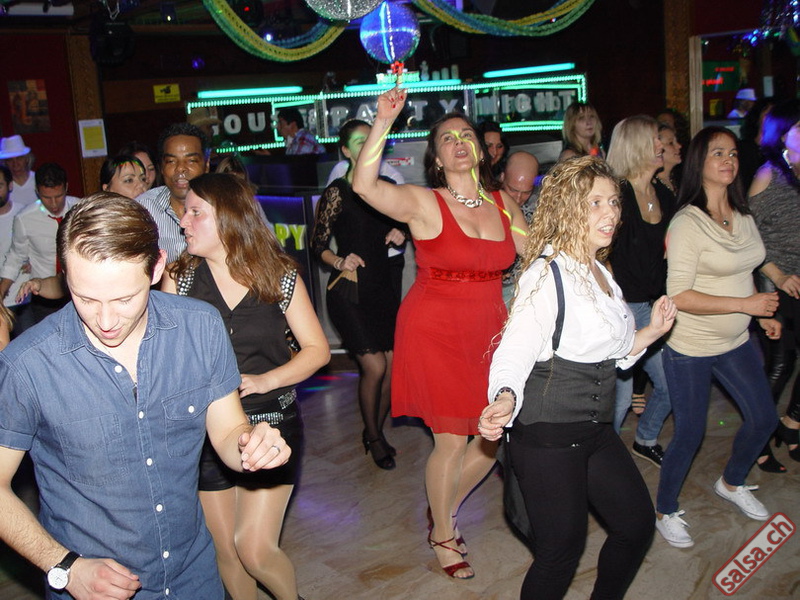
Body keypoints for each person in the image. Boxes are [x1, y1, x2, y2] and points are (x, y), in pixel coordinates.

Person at [0, 192, 290, 600]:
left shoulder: (200, 328)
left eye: (124, 299)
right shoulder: (27, 365)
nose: (105, 320)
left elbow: (228, 432)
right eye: (86, 298)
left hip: (195, 575)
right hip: (92, 588)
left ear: (156, 267)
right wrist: (63, 565)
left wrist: (251, 444)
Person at [479, 156, 676, 600]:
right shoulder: (546, 274)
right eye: (595, 203)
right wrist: (505, 396)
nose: (610, 213)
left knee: (635, 525)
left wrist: (652, 331)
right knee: (560, 553)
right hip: (547, 433)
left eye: (614, 202)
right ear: (567, 209)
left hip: (593, 429)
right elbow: (515, 348)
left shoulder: (601, 272)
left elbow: (612, 350)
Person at [352, 88, 528, 579]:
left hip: (489, 331)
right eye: (446, 139)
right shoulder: (424, 202)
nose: (458, 143)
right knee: (451, 440)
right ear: (435, 157)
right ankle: (443, 534)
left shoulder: (503, 205)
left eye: (466, 135)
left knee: (490, 438)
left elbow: (539, 252)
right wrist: (383, 122)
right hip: (435, 330)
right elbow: (364, 185)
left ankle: (441, 508)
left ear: (481, 149)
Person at [163, 173, 329, 600]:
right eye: (185, 212)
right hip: (204, 430)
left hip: (271, 424)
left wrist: (264, 380)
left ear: (229, 217)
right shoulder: (180, 279)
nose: (183, 221)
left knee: (254, 549)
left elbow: (317, 350)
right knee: (227, 553)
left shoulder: (279, 276)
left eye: (196, 212)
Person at [655, 126, 780, 549]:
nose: (728, 160)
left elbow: (746, 268)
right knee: (690, 433)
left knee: (763, 418)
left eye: (733, 153)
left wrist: (758, 315)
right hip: (690, 347)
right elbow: (679, 295)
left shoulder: (742, 214)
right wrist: (747, 305)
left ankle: (732, 481)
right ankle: (664, 510)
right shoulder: (688, 222)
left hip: (737, 341)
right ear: (699, 163)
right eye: (717, 154)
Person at [312, 119, 405, 469]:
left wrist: (401, 231)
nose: (368, 145)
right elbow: (316, 245)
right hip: (349, 291)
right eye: (359, 142)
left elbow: (411, 220)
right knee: (375, 365)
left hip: (383, 288)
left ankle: (373, 430)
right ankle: (375, 438)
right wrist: (338, 260)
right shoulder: (337, 191)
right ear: (346, 151)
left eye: (372, 140)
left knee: (393, 368)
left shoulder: (388, 188)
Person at [606, 115, 675, 468]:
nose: (662, 145)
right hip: (623, 309)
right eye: (655, 140)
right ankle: (602, 462)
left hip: (655, 306)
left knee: (670, 385)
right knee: (618, 401)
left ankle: (645, 439)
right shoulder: (616, 195)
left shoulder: (663, 194)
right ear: (635, 147)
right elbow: (598, 252)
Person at [749, 99, 800, 467]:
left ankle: (792, 423)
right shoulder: (768, 175)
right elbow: (745, 237)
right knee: (781, 364)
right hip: (773, 280)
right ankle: (758, 438)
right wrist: (778, 275)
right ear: (782, 134)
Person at [0, 163, 78, 323]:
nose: (54, 204)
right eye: (47, 198)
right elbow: (16, 257)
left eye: (59, 196)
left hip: (78, 290)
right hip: (43, 297)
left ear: (66, 188)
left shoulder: (81, 209)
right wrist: (2, 291)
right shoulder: (25, 218)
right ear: (37, 191)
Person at [135, 123, 209, 263]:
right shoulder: (142, 210)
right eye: (171, 161)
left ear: (206, 164)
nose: (180, 168)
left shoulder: (226, 206)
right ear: (162, 167)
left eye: (191, 161)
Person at [499, 151, 539, 305]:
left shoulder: (541, 209)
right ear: (502, 177)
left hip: (528, 290)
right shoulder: (486, 204)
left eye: (526, 192)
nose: (518, 198)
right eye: (513, 190)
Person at [0, 135, 37, 206]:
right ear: (5, 163)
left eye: (19, 158)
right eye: (10, 160)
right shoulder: (3, 185)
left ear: (27, 159)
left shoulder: (38, 179)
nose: (15, 164)